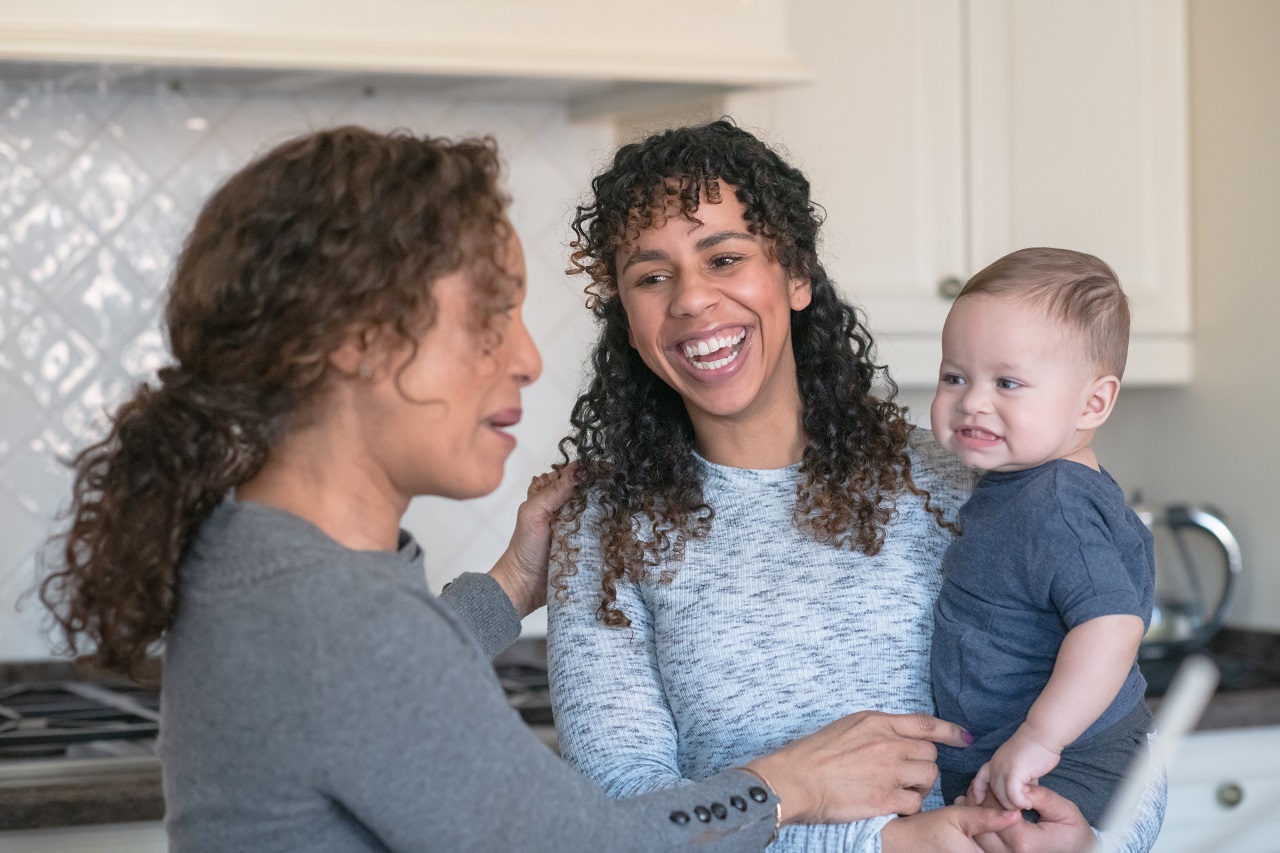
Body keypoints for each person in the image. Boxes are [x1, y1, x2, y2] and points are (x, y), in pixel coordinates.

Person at [35, 125, 1020, 853]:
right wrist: (788, 785)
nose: (526, 355)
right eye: (488, 316)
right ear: (359, 338)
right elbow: (575, 844)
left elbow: (384, 683)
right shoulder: (329, 615)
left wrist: (506, 582)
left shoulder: (266, 565)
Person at [545, 120, 1165, 852]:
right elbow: (623, 825)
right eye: (652, 275)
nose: (690, 299)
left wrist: (1091, 837)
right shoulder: (606, 534)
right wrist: (880, 840)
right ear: (628, 317)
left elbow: (1117, 723)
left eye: (725, 257)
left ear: (797, 276)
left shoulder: (958, 479)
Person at [928, 248, 1155, 826]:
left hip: (1064, 760)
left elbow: (1113, 627)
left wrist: (1039, 738)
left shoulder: (1058, 503)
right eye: (955, 376)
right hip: (1017, 757)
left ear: (1093, 403)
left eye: (1008, 382)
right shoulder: (1020, 484)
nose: (973, 401)